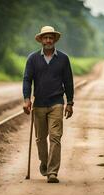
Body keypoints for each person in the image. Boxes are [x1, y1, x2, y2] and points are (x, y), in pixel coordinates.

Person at [22, 26, 74, 183]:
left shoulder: (63, 59)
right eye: (45, 38)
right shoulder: (33, 58)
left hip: (57, 103)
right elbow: (27, 79)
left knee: (55, 138)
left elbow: (68, 81)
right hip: (39, 104)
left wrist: (70, 102)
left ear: (55, 39)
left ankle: (52, 172)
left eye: (51, 37)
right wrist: (26, 99)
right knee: (40, 139)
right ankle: (44, 162)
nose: (48, 40)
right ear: (41, 40)